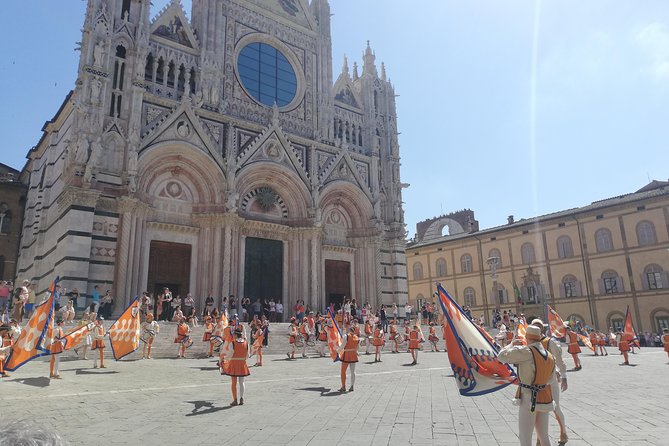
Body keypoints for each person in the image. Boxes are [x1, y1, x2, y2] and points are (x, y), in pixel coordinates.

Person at [498, 325, 555, 446]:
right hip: (545, 396)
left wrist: (511, 344)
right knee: (544, 436)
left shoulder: (527, 351)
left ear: (527, 337)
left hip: (529, 396)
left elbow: (501, 356)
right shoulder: (549, 356)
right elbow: (551, 379)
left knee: (525, 436)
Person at [532, 319, 569, 446]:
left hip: (550, 380)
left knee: (555, 407)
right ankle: (540, 438)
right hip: (536, 381)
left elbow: (558, 360)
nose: (536, 329)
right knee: (538, 410)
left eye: (538, 327)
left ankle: (563, 432)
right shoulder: (529, 343)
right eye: (533, 327)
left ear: (541, 329)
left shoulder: (549, 342)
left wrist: (563, 376)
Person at [223, 325, 250, 406]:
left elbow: (229, 355)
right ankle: (242, 398)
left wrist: (225, 359)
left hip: (234, 363)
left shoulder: (233, 343)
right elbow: (248, 355)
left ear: (235, 335)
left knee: (234, 383)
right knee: (242, 382)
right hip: (242, 363)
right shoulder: (246, 343)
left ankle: (235, 400)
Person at [338, 325, 359, 392]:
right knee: (353, 371)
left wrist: (337, 351)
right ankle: (352, 386)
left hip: (347, 354)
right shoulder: (356, 337)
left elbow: (342, 346)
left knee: (343, 371)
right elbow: (357, 348)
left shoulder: (346, 336)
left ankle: (343, 386)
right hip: (353, 354)